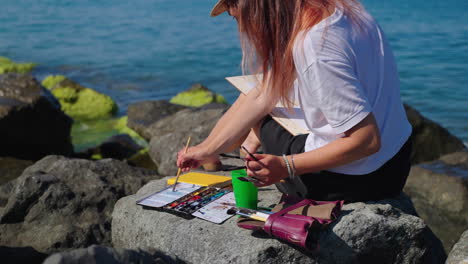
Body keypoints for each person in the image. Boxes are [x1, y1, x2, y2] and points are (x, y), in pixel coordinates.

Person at [177, 0, 412, 202]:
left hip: (354, 179)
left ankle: (249, 140)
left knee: (265, 119)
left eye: (237, 15)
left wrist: (285, 166)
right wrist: (206, 148)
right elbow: (265, 90)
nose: (242, 27)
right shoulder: (346, 8)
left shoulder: (314, 46)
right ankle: (214, 150)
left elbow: (367, 140)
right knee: (267, 85)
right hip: (396, 160)